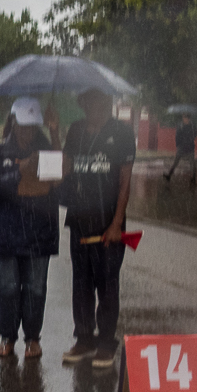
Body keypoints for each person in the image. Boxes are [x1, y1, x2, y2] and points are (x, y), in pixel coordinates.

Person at [0, 98, 61, 361]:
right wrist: (19, 171)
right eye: (23, 125)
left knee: (36, 288)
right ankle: (8, 337)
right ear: (13, 122)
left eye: (33, 126)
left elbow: (59, 182)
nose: (28, 130)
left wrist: (56, 132)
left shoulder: (47, 151)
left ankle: (33, 339)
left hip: (40, 233)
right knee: (8, 288)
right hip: (5, 234)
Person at [61, 88, 136, 369]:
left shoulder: (123, 133)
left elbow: (125, 181)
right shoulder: (76, 130)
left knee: (107, 283)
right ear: (83, 104)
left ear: (108, 103)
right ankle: (84, 338)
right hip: (79, 219)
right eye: (90, 102)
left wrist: (117, 223)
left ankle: (106, 343)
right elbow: (65, 167)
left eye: (101, 101)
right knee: (81, 283)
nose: (96, 106)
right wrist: (55, 131)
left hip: (108, 224)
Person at [164, 112, 197, 184]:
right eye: (183, 117)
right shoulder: (181, 125)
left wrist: (190, 139)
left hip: (189, 146)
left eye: (184, 117)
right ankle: (169, 175)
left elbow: (195, 134)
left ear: (188, 118)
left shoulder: (192, 126)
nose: (183, 119)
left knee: (192, 163)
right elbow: (177, 135)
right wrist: (178, 144)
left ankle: (193, 178)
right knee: (176, 161)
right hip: (182, 146)